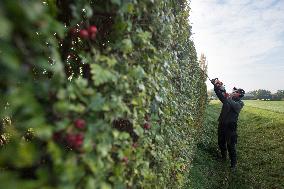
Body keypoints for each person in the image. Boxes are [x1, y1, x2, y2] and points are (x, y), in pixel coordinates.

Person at [211, 78, 245, 170]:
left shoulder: (240, 103)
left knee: (231, 145)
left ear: (239, 95)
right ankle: (223, 157)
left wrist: (227, 96)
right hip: (222, 124)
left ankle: (233, 165)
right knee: (221, 142)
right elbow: (219, 94)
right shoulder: (227, 99)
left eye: (236, 92)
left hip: (230, 127)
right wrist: (216, 86)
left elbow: (234, 105)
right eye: (234, 91)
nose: (234, 92)